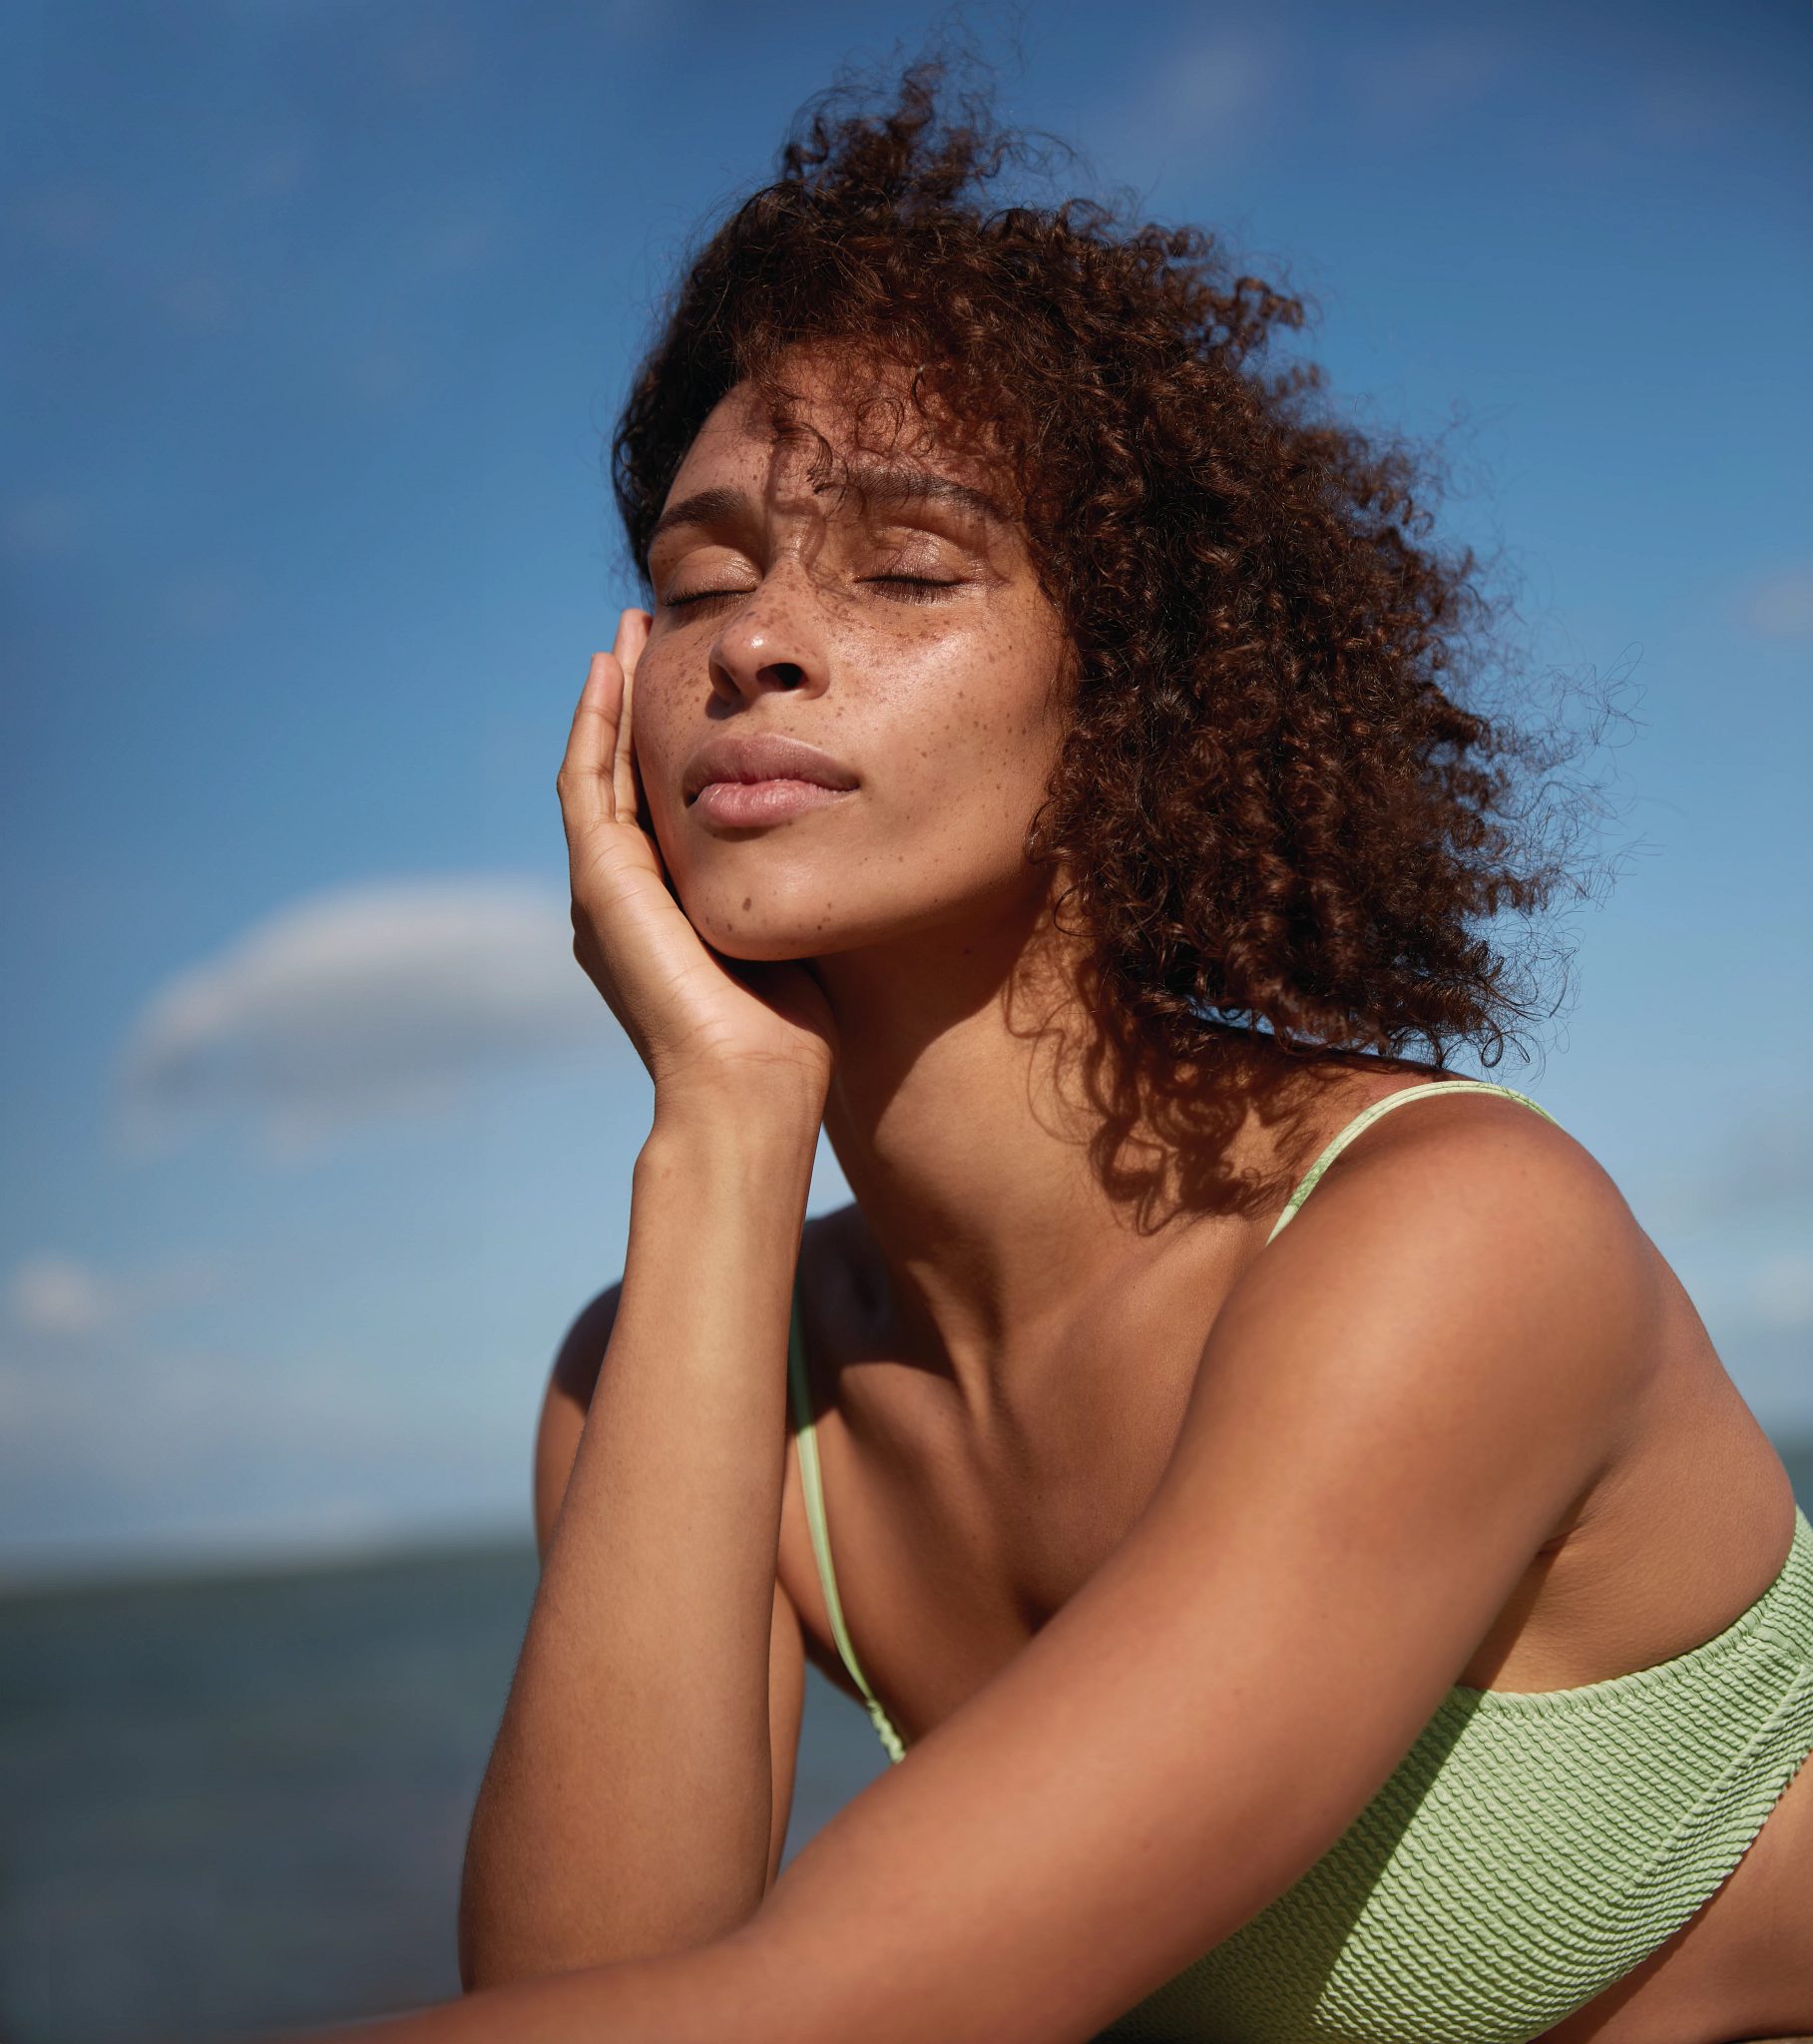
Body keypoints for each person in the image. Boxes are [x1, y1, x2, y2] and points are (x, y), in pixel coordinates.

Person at [304, 57, 1813, 2044]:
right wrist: (723, 1136)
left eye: (905, 568)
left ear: (1134, 696)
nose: (751, 639)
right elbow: (599, 1997)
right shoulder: (666, 1374)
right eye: (696, 581)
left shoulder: (1447, 1236)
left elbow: (811, 2018)